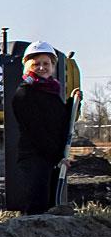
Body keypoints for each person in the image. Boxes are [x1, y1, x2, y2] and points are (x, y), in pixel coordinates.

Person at [11, 41, 79, 214]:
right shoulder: (25, 94)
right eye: (36, 64)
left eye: (46, 63)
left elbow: (59, 121)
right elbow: (37, 132)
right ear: (27, 66)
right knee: (37, 206)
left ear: (53, 66)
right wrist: (58, 157)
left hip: (50, 158)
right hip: (35, 159)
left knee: (49, 204)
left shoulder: (51, 92)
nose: (42, 67)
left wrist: (73, 103)